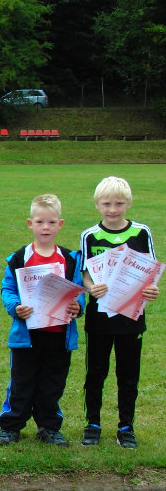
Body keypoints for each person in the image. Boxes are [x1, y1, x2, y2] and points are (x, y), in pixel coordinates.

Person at [0, 194, 84, 447]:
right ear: (30, 223)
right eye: (40, 222)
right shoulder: (19, 258)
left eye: (52, 222)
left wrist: (78, 306)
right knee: (21, 383)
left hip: (59, 335)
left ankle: (49, 427)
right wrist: (15, 307)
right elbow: (8, 289)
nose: (46, 227)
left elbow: (78, 290)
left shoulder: (70, 259)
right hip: (27, 336)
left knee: (52, 384)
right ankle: (11, 426)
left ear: (60, 224)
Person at [79, 176, 159, 448]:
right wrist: (91, 288)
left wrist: (152, 289)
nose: (113, 209)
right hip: (100, 318)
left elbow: (150, 272)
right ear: (97, 204)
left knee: (128, 375)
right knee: (96, 373)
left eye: (119, 204)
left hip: (131, 316)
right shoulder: (90, 235)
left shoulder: (141, 232)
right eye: (107, 204)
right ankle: (92, 424)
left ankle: (126, 427)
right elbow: (85, 274)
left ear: (128, 204)